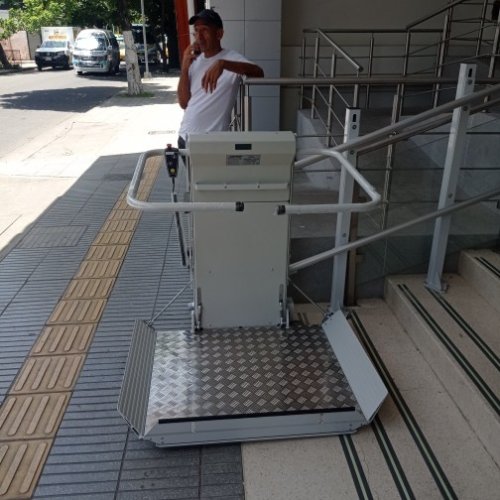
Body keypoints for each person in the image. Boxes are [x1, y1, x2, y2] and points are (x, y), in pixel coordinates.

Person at [177, 8, 264, 149]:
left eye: (204, 30)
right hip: (185, 138)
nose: (199, 37)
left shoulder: (231, 58)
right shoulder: (194, 61)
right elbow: (184, 103)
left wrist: (223, 64)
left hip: (212, 143)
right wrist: (184, 68)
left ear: (219, 34)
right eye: (196, 31)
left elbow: (259, 73)